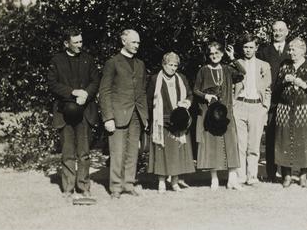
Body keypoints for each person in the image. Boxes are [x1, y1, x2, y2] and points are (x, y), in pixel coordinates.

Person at [46, 27, 100, 200]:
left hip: (84, 111)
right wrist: (73, 92)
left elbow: (95, 80)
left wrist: (86, 94)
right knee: (67, 152)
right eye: (75, 42)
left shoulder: (88, 59)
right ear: (66, 43)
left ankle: (83, 186)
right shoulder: (57, 60)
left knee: (84, 153)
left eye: (81, 41)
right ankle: (68, 187)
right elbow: (52, 84)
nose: (79, 45)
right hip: (64, 112)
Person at [99, 29, 149, 198]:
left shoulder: (140, 64)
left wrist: (145, 116)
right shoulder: (112, 63)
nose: (137, 45)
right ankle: (115, 188)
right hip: (118, 115)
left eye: (139, 43)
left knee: (133, 151)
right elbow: (104, 91)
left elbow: (142, 91)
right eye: (134, 42)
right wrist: (108, 117)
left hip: (136, 115)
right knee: (117, 152)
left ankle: (128, 184)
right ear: (123, 42)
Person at [193, 41, 246, 190]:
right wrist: (206, 96)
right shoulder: (203, 70)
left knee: (230, 144)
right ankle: (214, 178)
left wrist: (233, 58)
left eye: (217, 53)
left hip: (226, 112)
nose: (214, 56)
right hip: (210, 114)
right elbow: (195, 90)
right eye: (211, 53)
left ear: (222, 54)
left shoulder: (227, 69)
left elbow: (242, 74)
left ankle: (232, 179)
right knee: (212, 145)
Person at [147, 52, 196, 193]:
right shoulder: (155, 79)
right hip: (162, 121)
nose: (173, 68)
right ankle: (161, 183)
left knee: (177, 152)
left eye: (175, 65)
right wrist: (154, 118)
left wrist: (187, 102)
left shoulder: (181, 78)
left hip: (179, 121)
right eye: (170, 65)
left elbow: (190, 94)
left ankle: (175, 182)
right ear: (164, 64)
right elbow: (149, 100)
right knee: (162, 152)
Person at [274, 37, 307, 188]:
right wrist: (284, 81)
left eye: (293, 49)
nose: (290, 52)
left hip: (303, 109)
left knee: (304, 140)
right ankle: (286, 176)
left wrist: (304, 85)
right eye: (290, 49)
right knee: (284, 139)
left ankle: (303, 176)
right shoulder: (285, 66)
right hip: (284, 108)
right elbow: (276, 89)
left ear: (302, 50)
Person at [233, 33, 271, 185]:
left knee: (254, 144)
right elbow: (230, 86)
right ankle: (240, 175)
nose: (248, 50)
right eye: (245, 47)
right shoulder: (236, 64)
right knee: (240, 143)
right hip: (240, 105)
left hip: (257, 106)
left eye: (251, 47)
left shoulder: (264, 65)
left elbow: (268, 88)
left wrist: (265, 107)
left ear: (256, 48)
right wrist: (233, 103)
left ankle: (252, 176)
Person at [256, 20, 291, 182]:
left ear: (287, 32)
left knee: (286, 136)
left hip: (288, 100)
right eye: (275, 30)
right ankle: (271, 173)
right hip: (270, 100)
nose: (277, 33)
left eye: (280, 30)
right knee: (270, 136)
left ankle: (286, 173)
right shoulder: (264, 51)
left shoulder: (292, 50)